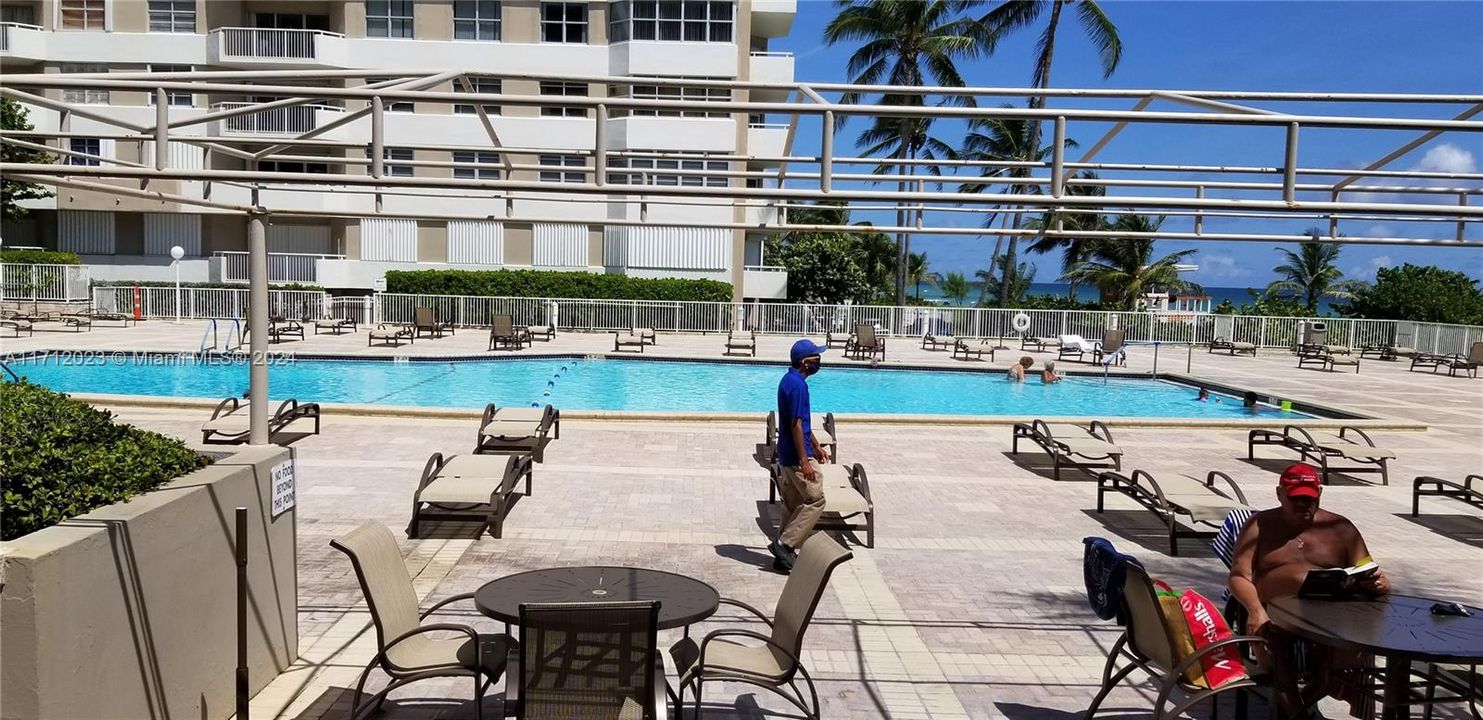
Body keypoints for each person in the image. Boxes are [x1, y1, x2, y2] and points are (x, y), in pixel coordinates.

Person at [1228, 463, 1391, 718]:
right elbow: (1239, 576)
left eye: (1309, 498)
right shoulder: (1260, 525)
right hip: (1278, 616)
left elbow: (1366, 568)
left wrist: (1381, 583)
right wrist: (1255, 610)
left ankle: (1309, 698)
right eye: (1296, 498)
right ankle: (1298, 711)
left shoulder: (1341, 529)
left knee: (1356, 640)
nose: (1303, 504)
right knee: (1275, 645)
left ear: (1320, 494)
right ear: (1279, 493)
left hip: (1331, 615)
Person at [769, 338, 830, 574]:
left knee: (793, 504)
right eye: (816, 357)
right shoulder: (797, 386)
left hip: (787, 454)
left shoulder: (790, 380)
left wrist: (816, 445)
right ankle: (784, 544)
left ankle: (781, 558)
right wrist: (805, 460)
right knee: (816, 499)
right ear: (805, 362)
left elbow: (802, 422)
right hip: (796, 456)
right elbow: (795, 424)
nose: (819, 361)